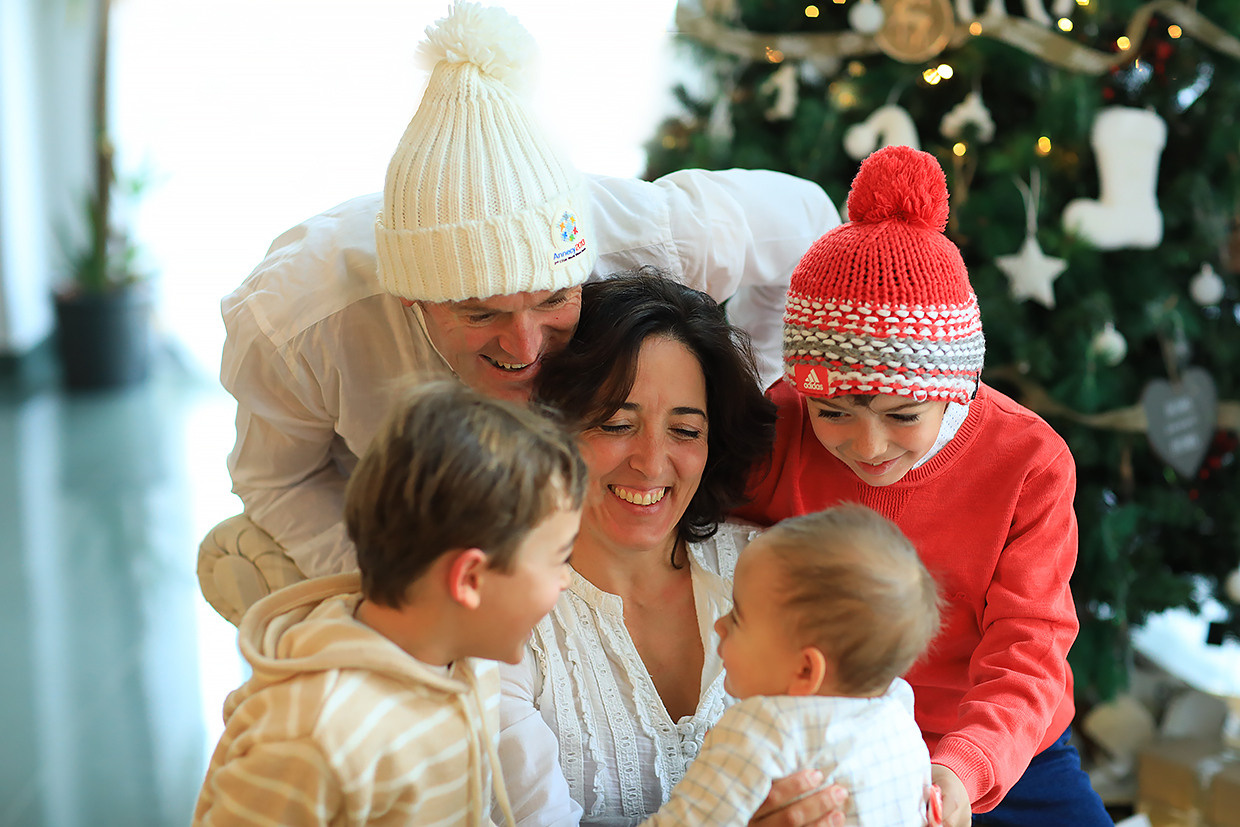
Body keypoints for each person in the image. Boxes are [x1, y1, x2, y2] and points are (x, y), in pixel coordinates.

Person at [207, 0, 839, 592]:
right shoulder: (296, 322)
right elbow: (278, 479)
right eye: (480, 312)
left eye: (553, 301)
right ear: (410, 300)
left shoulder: (655, 235)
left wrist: (756, 386)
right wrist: (400, 590)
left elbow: (808, 226)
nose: (526, 345)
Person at [734, 145, 1112, 827]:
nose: (867, 446)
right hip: (834, 733)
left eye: (902, 415)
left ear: (957, 387)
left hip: (1001, 745)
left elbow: (1029, 645)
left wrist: (964, 764)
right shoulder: (779, 426)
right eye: (835, 412)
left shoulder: (1029, 460)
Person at [497, 272, 848, 827]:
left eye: (685, 431)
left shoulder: (775, 568)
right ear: (553, 428)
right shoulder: (500, 618)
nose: (652, 462)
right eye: (616, 423)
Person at [193, 380, 586, 826]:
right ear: (470, 579)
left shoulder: (466, 665)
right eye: (558, 559)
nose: (566, 580)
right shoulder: (312, 737)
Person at [642, 505, 942, 827]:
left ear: (805, 671)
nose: (719, 626)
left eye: (738, 616)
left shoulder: (760, 731)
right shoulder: (898, 715)